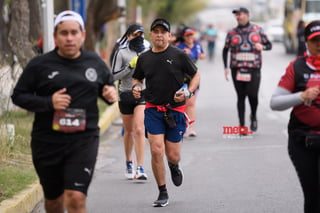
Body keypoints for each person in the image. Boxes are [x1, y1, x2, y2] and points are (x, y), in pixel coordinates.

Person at [11, 10, 117, 213]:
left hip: (83, 141)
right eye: (64, 33)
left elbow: (107, 89)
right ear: (55, 37)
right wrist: (49, 102)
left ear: (82, 35)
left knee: (75, 198)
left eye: (74, 32)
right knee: (54, 202)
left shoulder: (94, 62)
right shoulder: (39, 65)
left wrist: (110, 94)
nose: (69, 38)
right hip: (47, 142)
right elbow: (18, 96)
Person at [132, 18, 200, 207]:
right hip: (153, 109)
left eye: (164, 32)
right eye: (156, 31)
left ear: (169, 36)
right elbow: (137, 78)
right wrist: (136, 87)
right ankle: (162, 191)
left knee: (173, 155)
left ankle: (174, 165)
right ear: (151, 35)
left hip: (175, 111)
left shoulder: (179, 55)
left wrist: (188, 92)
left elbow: (196, 74)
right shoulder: (144, 58)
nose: (160, 35)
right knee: (156, 149)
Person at [270, 20, 320, 213]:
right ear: (306, 42)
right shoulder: (297, 67)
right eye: (315, 40)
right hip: (303, 141)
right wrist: (301, 96)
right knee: (313, 194)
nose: (319, 44)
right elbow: (275, 102)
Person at [222, 7, 272, 135]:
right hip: (237, 68)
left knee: (253, 95)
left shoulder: (257, 30)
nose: (239, 17)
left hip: (253, 68)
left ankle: (253, 115)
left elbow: (269, 45)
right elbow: (225, 49)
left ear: (247, 15)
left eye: (241, 14)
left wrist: (263, 47)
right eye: (237, 15)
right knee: (241, 96)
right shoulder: (232, 33)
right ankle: (242, 125)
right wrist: (226, 68)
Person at [111, 23, 149, 180]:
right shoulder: (121, 52)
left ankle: (140, 167)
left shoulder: (148, 50)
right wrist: (129, 66)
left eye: (141, 34)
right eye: (135, 35)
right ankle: (128, 162)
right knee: (129, 131)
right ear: (128, 36)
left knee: (140, 129)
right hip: (126, 94)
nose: (138, 37)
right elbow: (113, 76)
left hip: (143, 93)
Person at [176, 26, 205, 137]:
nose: (190, 37)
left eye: (191, 35)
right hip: (182, 79)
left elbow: (202, 55)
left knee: (191, 103)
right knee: (183, 103)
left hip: (194, 78)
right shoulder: (180, 47)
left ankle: (191, 128)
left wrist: (201, 55)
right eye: (188, 35)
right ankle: (182, 126)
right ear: (184, 37)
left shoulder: (197, 45)